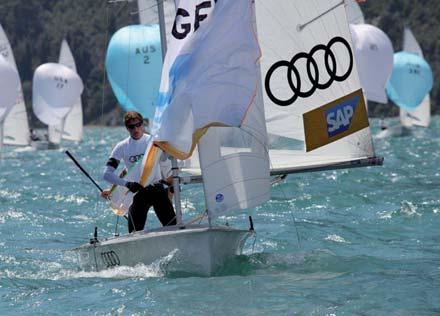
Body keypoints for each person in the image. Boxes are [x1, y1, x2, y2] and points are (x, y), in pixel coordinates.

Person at [102, 111, 177, 233]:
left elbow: (167, 161)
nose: (136, 129)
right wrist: (127, 184)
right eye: (132, 126)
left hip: (157, 190)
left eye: (139, 125)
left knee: (173, 227)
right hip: (138, 192)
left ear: (143, 125)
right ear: (127, 128)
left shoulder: (154, 142)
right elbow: (107, 174)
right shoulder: (122, 146)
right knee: (134, 233)